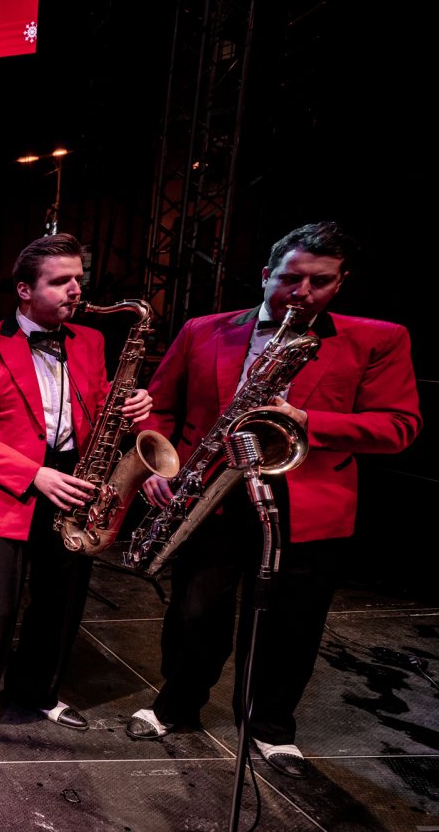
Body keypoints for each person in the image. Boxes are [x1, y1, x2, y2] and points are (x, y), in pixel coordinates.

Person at [125, 221, 421, 777]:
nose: (302, 292)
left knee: (292, 622)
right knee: (193, 613)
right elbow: (160, 406)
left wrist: (306, 419)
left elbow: (399, 426)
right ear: (267, 275)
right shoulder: (203, 329)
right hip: (210, 491)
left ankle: (270, 726)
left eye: (320, 282)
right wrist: (157, 465)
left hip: (307, 502)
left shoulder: (380, 338)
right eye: (290, 278)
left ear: (340, 283)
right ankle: (176, 704)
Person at [0, 233, 152, 754]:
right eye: (60, 281)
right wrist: (34, 474)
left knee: (60, 601)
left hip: (76, 481)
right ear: (24, 289)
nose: (75, 290)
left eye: (78, 278)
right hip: (6, 487)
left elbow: (96, 404)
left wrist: (128, 406)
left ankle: (37, 689)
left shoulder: (92, 340)